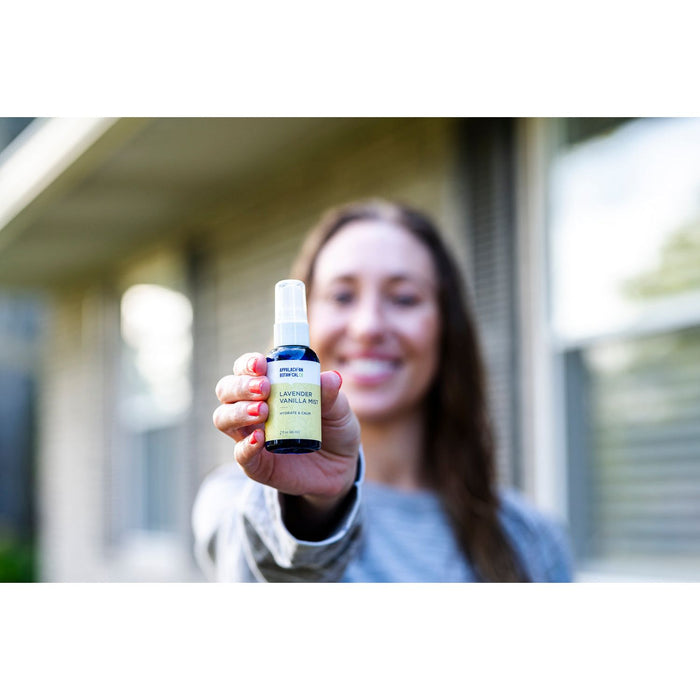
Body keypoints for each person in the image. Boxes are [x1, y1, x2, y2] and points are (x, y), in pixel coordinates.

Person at [193, 198, 573, 582]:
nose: (368, 326)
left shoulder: (530, 537)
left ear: (446, 327)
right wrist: (314, 506)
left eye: (404, 298)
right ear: (307, 314)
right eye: (342, 296)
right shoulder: (238, 501)